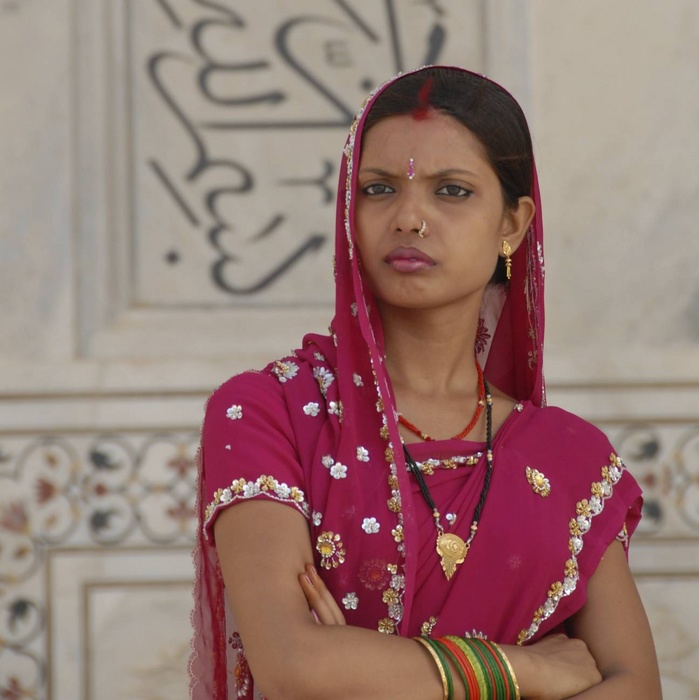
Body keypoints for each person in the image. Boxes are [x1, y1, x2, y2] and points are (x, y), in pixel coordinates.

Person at [189, 66, 662, 699]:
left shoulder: (569, 458)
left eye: (452, 191)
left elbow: (636, 687)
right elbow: (295, 667)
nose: (409, 217)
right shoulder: (270, 413)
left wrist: (368, 671)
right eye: (379, 189)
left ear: (512, 224)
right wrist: (523, 670)